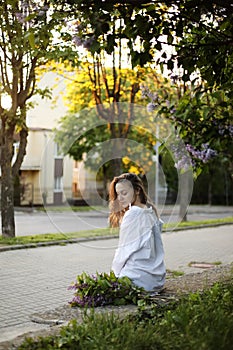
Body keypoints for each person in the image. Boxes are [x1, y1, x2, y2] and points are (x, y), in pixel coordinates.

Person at [109, 172, 166, 292]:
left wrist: (113, 276)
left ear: (137, 190)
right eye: (118, 194)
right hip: (157, 280)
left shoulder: (132, 213)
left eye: (124, 193)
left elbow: (123, 251)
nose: (120, 198)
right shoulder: (151, 211)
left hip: (138, 279)